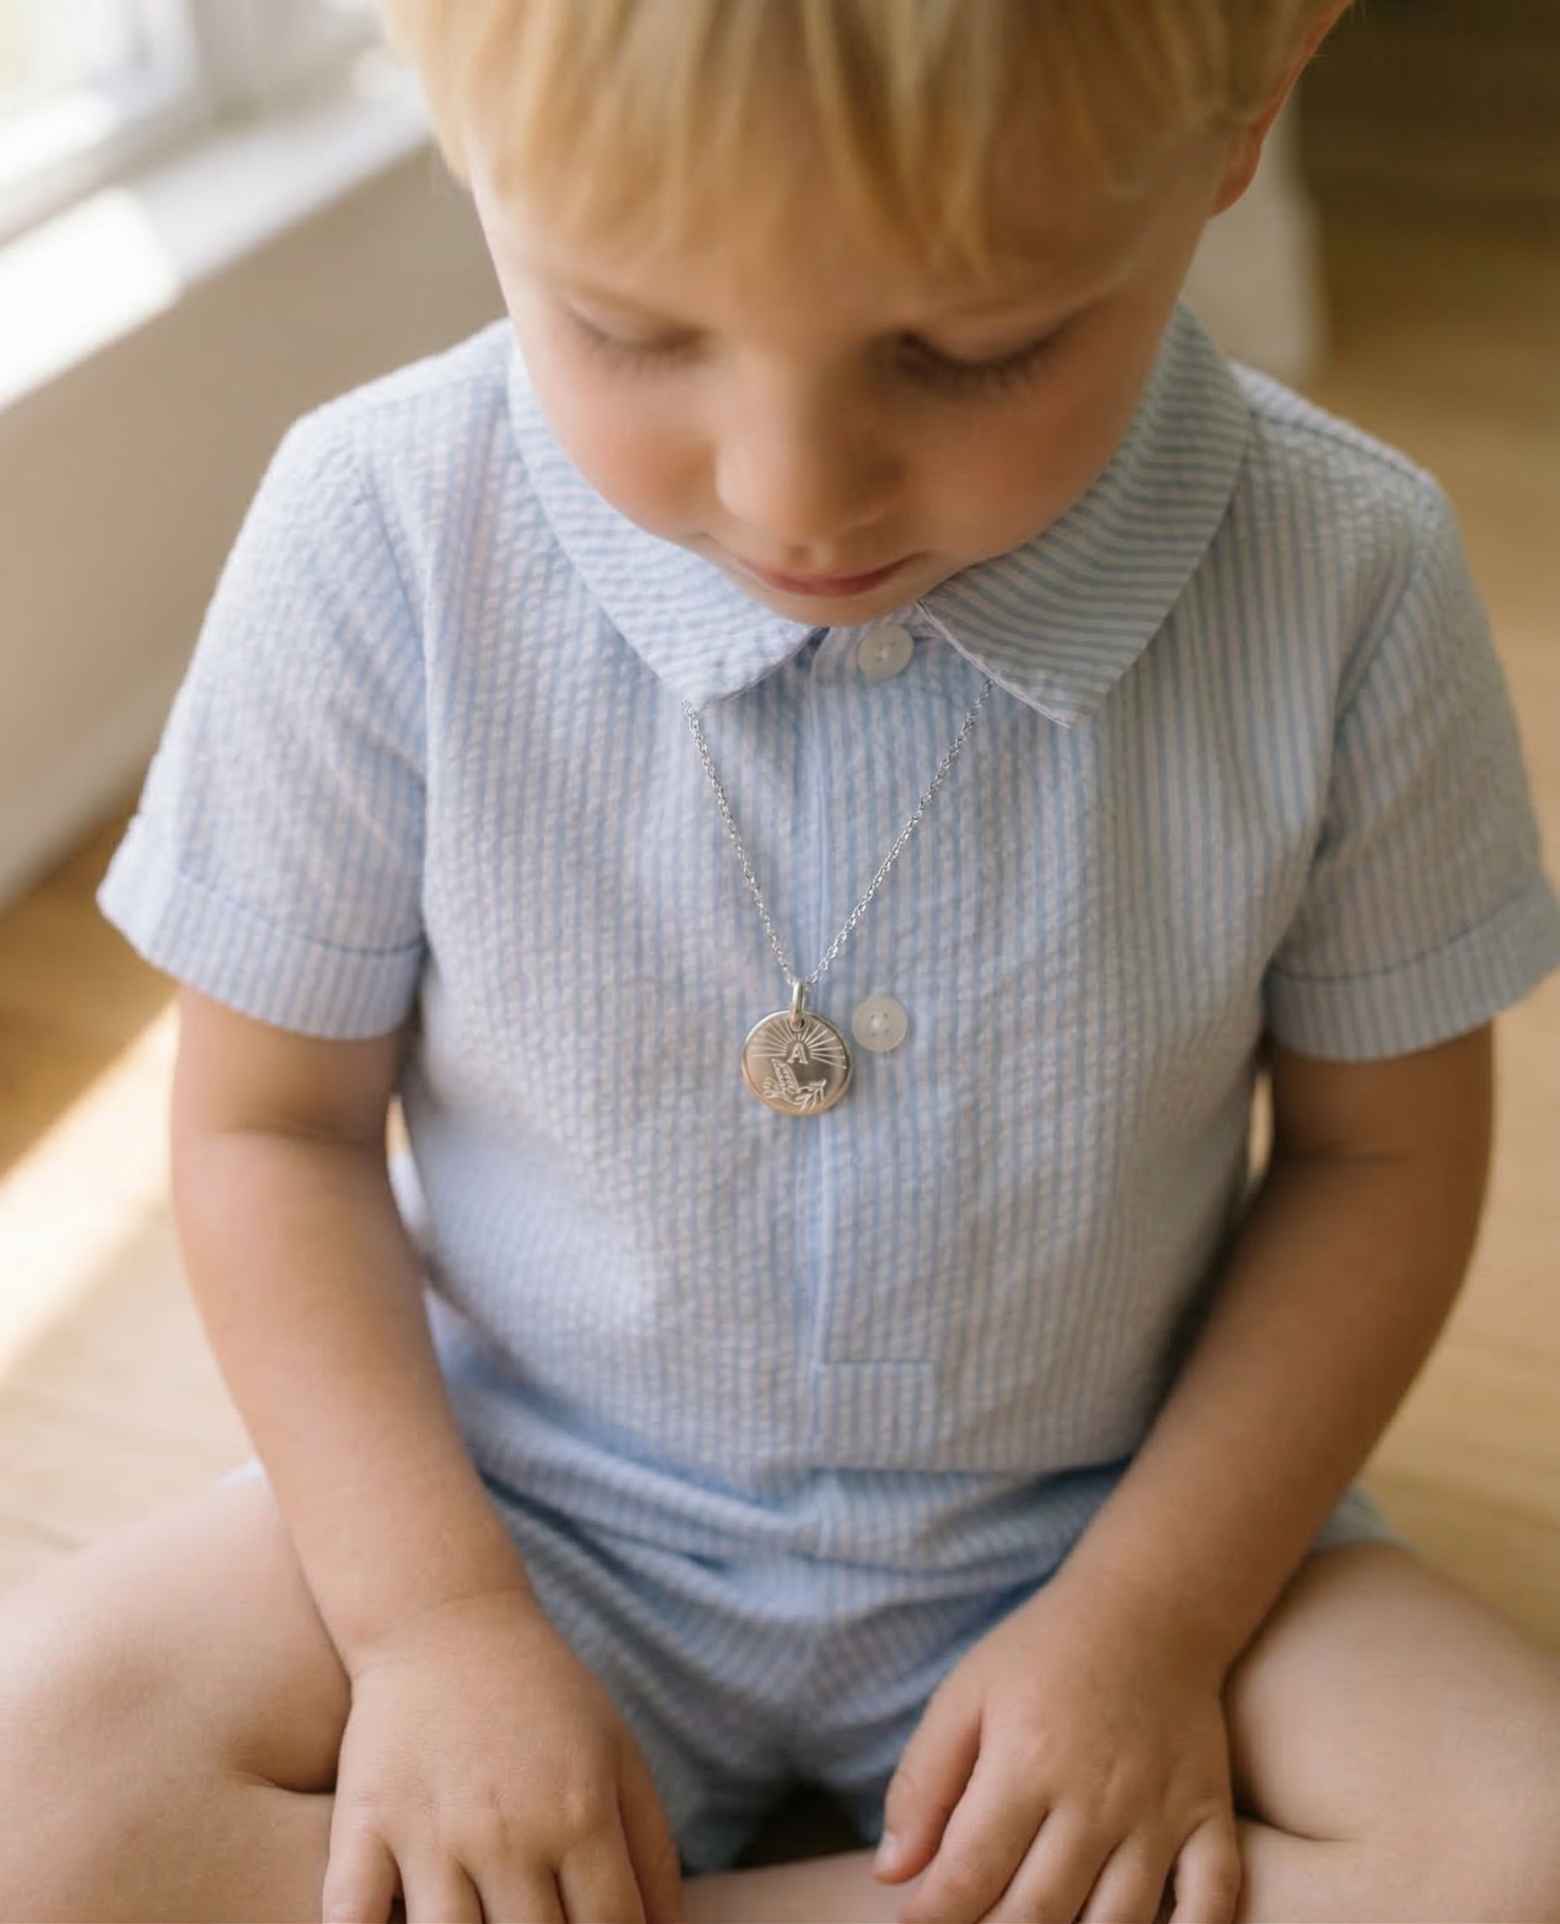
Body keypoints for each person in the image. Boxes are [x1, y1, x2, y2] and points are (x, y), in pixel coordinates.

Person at [4, 2, 1558, 1919]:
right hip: (523, 1511)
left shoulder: (1350, 576)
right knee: (34, 1797)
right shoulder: (380, 531)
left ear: (1250, 108)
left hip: (1115, 1527)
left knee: (1520, 1853)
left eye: (970, 352)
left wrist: (1151, 1621)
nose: (795, 494)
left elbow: (1377, 1160)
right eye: (631, 329)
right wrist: (435, 1632)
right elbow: (269, 1136)